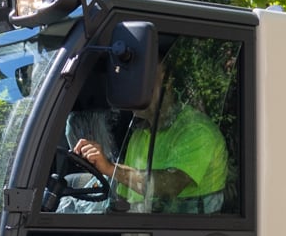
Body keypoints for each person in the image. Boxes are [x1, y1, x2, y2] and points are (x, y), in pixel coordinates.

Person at [69, 71, 228, 214]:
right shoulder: (140, 135)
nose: (131, 94)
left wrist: (111, 169)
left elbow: (169, 185)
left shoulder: (196, 131)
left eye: (140, 84)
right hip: (140, 234)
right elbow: (125, 197)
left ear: (168, 83)